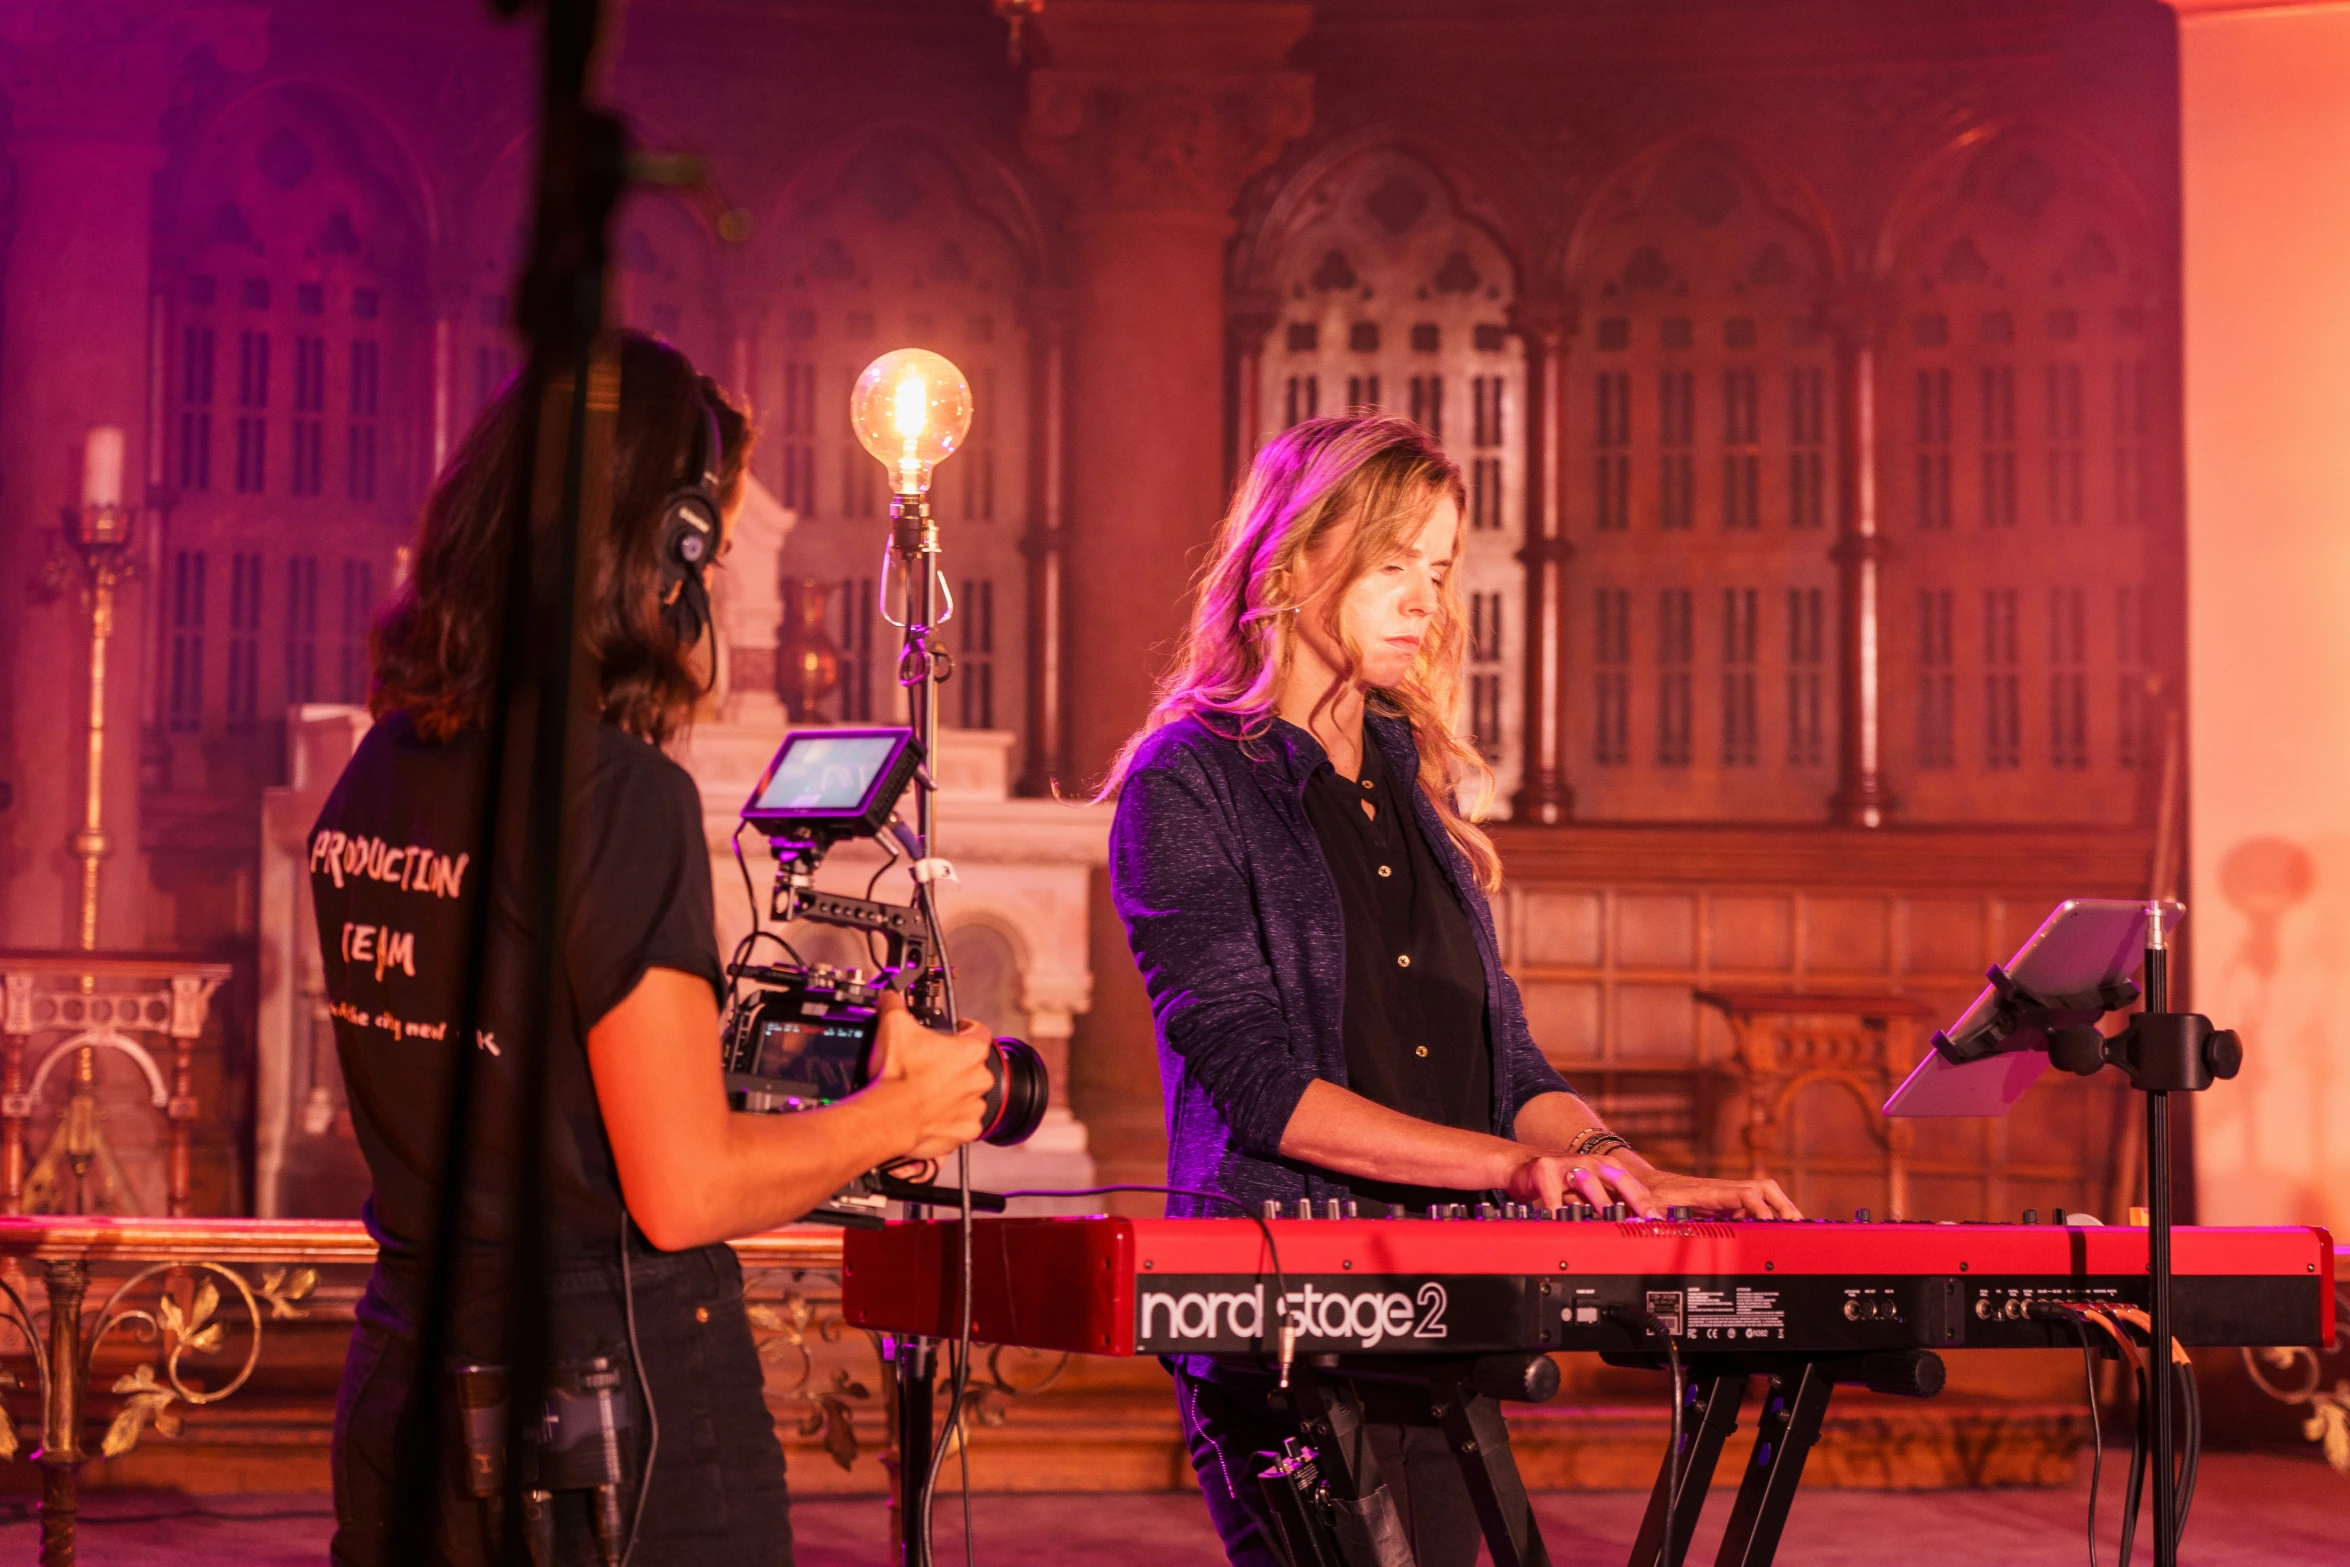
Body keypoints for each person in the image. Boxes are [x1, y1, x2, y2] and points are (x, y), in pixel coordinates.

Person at [310, 332, 996, 1567]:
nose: (720, 585)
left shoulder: (378, 770)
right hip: (599, 1404)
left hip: (412, 1375)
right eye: (715, 549)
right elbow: (682, 1192)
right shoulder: (613, 794)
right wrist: (903, 1112)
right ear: (664, 547)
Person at [1104, 413, 1802, 1567]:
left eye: (1437, 568)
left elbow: (1508, 1067)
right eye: (1392, 565)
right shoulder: (1186, 786)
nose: (1425, 599)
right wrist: (1518, 1169)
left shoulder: (1414, 789)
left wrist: (1628, 1170)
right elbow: (1260, 1086)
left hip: (1446, 1292)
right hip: (1287, 1309)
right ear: (1290, 559)